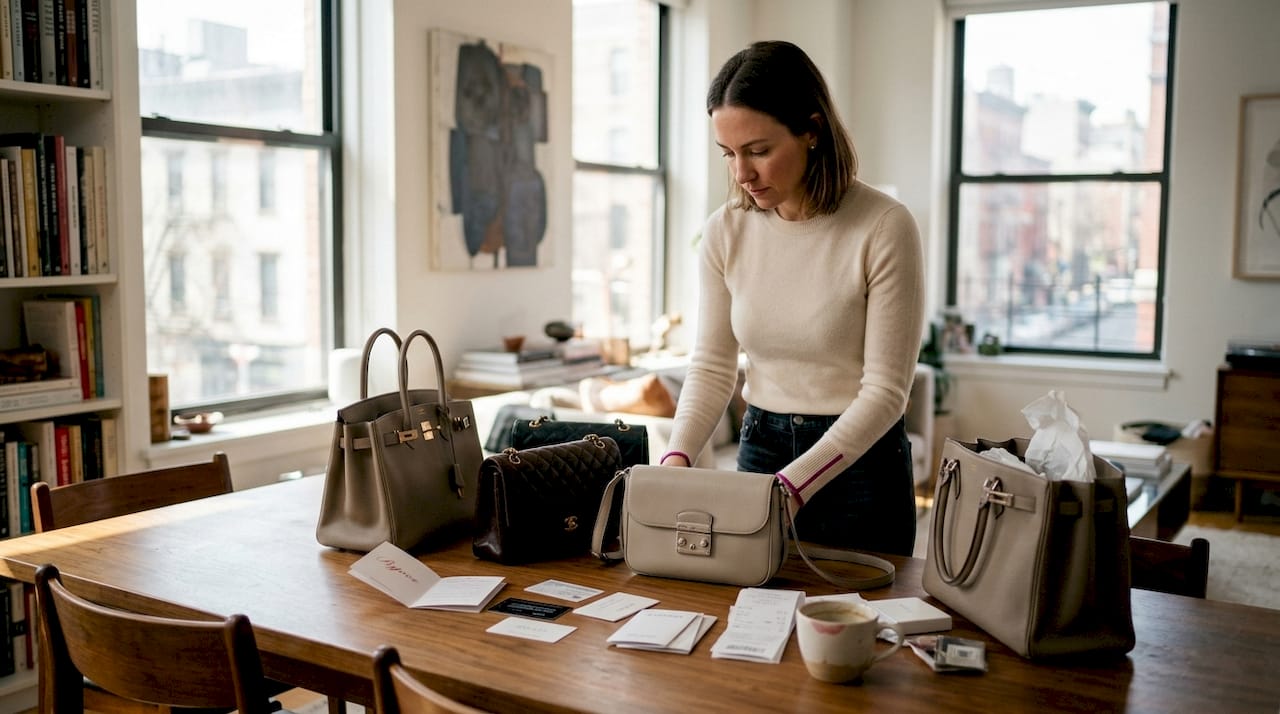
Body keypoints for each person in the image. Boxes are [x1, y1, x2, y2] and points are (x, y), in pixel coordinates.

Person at [658, 40, 925, 556]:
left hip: (862, 464)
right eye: (729, 154)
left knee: (861, 625)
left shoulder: (884, 226)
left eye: (758, 151)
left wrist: (796, 485)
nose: (742, 174)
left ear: (812, 131)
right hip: (762, 448)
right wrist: (678, 457)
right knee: (750, 617)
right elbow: (713, 365)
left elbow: (887, 393)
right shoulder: (725, 231)